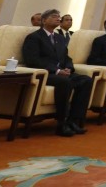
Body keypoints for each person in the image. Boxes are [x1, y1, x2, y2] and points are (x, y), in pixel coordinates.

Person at [21, 9, 93, 137]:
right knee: (65, 82)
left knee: (86, 80)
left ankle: (74, 120)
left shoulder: (59, 38)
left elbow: (66, 58)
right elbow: (32, 60)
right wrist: (57, 70)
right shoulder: (34, 37)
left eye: (59, 17)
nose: (58, 19)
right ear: (44, 20)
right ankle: (62, 123)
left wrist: (69, 68)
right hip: (46, 73)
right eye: (54, 16)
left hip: (62, 72)